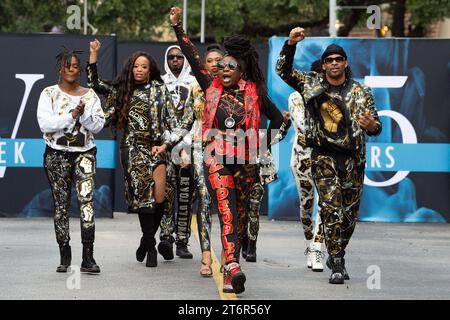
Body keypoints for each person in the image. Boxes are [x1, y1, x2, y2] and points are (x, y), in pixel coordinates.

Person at [170, 6, 288, 294]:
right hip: (217, 159)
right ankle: (232, 266)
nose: (223, 70)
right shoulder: (209, 87)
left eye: (229, 67)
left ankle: (229, 266)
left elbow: (275, 119)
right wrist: (177, 27)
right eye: (220, 66)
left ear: (240, 70)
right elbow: (193, 57)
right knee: (226, 212)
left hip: (247, 161)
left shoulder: (255, 92)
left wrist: (262, 142)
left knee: (241, 215)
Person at [276, 27, 382, 284]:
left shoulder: (361, 91)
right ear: (323, 66)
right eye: (329, 60)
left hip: (354, 159)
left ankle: (338, 251)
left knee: (348, 215)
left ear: (345, 63)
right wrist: (290, 44)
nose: (334, 63)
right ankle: (336, 261)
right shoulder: (311, 85)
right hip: (323, 157)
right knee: (331, 209)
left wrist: (371, 126)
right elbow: (284, 71)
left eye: (338, 59)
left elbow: (376, 126)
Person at [86, 39, 191, 268]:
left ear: (150, 69)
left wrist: (168, 144)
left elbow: (178, 123)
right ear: (130, 69)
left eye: (144, 66)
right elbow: (94, 83)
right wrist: (94, 54)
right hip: (132, 148)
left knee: (160, 198)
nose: (139, 70)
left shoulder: (161, 89)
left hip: (157, 147)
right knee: (145, 199)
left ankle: (145, 239)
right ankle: (151, 247)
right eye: (135, 66)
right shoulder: (122, 89)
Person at [37, 47, 105, 274]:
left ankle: (88, 256)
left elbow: (98, 125)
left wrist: (83, 113)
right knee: (62, 205)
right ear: (60, 68)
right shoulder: (48, 93)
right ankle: (64, 252)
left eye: (76, 66)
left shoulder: (90, 95)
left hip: (85, 152)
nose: (72, 69)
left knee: (87, 203)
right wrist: (71, 115)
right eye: (68, 65)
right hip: (56, 154)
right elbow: (45, 125)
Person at [182, 43, 224, 277]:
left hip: (228, 149)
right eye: (210, 61)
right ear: (204, 65)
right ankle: (206, 255)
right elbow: (187, 120)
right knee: (205, 198)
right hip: (200, 146)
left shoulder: (233, 87)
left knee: (226, 201)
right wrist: (174, 145)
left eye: (220, 60)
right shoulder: (195, 88)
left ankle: (229, 256)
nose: (215, 64)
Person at [158, 45, 196, 260]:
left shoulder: (194, 83)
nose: (175, 60)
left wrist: (184, 148)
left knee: (185, 195)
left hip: (188, 149)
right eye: (171, 57)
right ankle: (166, 237)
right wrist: (169, 143)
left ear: (185, 60)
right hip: (164, 147)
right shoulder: (160, 83)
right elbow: (158, 117)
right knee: (165, 193)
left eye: (179, 57)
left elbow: (195, 118)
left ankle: (182, 240)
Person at [288, 60, 325, 271]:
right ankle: (309, 243)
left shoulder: (331, 97)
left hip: (324, 158)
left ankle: (317, 250)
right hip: (301, 159)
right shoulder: (295, 97)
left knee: (324, 206)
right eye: (317, 75)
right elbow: (303, 125)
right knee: (306, 206)